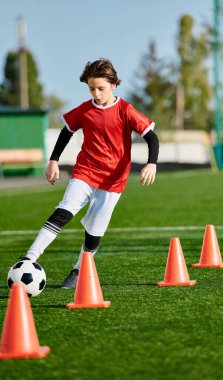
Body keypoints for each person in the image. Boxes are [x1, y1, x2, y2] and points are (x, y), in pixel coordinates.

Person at [20, 58, 159, 288]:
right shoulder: (85, 110)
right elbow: (66, 131)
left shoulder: (125, 110)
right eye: (91, 88)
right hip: (85, 172)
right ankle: (28, 258)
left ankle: (78, 270)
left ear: (114, 84)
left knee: (94, 233)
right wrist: (53, 160)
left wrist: (151, 163)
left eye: (101, 88)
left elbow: (151, 136)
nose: (96, 93)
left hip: (113, 181)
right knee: (63, 212)